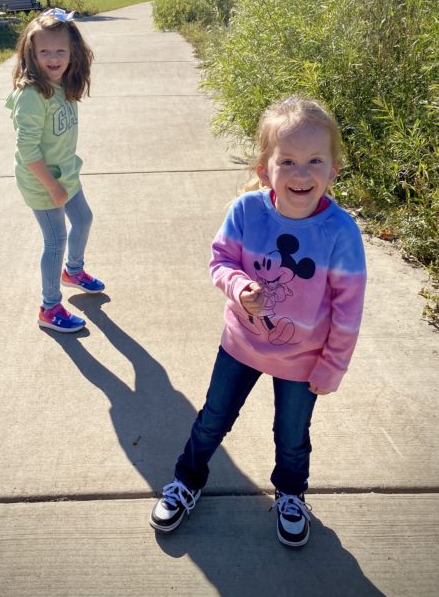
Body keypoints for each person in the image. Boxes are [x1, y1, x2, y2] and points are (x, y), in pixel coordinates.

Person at [149, 95, 367, 547]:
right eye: (287, 161)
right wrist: (237, 287)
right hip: (241, 344)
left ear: (334, 170)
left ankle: (290, 494)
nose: (301, 174)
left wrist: (333, 366)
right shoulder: (246, 212)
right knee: (212, 418)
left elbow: (348, 310)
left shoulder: (340, 233)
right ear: (264, 168)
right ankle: (188, 480)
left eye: (314, 161)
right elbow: (220, 260)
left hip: (303, 359)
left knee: (291, 437)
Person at [6, 8, 104, 334]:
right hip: (42, 182)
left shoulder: (62, 84)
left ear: (72, 52)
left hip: (65, 174)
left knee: (84, 219)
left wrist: (63, 181)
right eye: (44, 51)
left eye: (60, 51)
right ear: (31, 54)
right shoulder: (33, 95)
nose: (53, 58)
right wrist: (52, 187)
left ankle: (73, 271)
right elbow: (28, 151)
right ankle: (49, 307)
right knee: (55, 240)